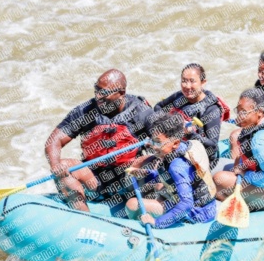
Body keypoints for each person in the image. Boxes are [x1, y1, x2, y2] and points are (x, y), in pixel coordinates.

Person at [45, 69, 154, 212]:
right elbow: (54, 140)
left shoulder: (141, 111)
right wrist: (55, 165)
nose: (98, 96)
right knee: (63, 165)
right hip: (95, 179)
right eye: (96, 90)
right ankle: (84, 218)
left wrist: (154, 147)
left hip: (129, 178)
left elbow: (166, 140)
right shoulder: (86, 111)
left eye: (104, 93)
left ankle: (151, 208)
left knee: (149, 162)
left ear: (121, 93)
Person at [125, 113, 217, 229]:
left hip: (197, 213)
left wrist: (157, 223)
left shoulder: (176, 166)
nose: (152, 145)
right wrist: (147, 174)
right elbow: (176, 177)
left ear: (175, 143)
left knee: (132, 204)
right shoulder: (187, 146)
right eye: (152, 140)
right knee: (158, 186)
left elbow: (187, 204)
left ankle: (141, 229)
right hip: (205, 205)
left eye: (158, 142)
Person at [153, 63, 230, 169]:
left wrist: (190, 133)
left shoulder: (211, 110)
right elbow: (158, 107)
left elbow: (212, 145)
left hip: (200, 158)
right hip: (174, 148)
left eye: (192, 81)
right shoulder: (179, 96)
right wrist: (168, 122)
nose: (187, 86)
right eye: (184, 81)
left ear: (203, 83)